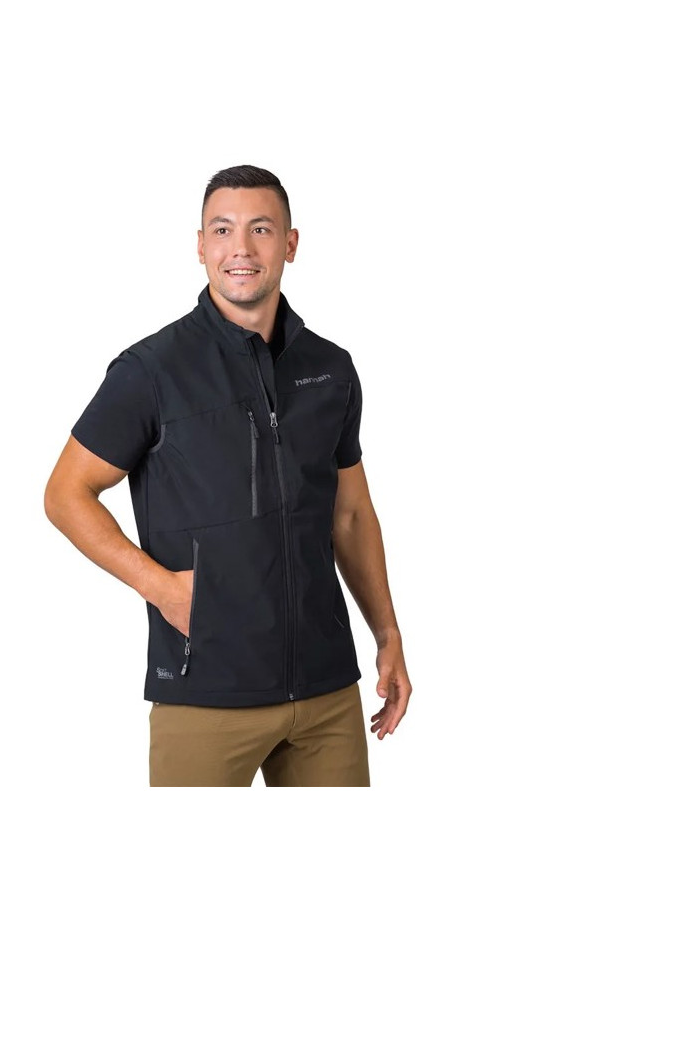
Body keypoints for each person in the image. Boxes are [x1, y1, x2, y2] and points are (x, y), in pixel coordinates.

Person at [43, 164, 412, 786]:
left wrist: (387, 632)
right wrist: (163, 589)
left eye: (260, 229)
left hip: (326, 693)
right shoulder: (151, 370)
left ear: (290, 244)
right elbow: (65, 494)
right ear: (200, 246)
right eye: (222, 230)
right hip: (205, 692)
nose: (240, 248)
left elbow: (350, 514)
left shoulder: (330, 368)